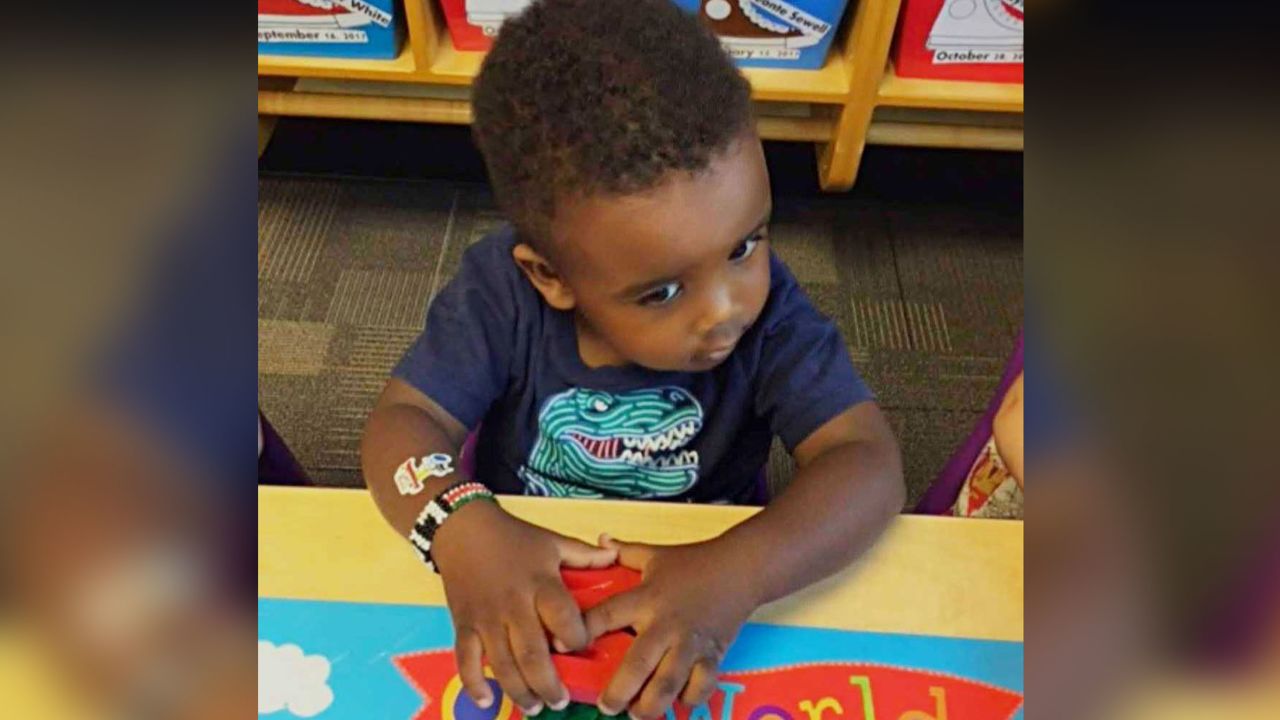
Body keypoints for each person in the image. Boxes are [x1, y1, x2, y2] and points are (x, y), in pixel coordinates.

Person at [360, 2, 904, 719]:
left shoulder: (771, 316)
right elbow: (404, 420)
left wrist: (740, 570)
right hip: (517, 563)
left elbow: (867, 462)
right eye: (663, 292)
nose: (725, 309)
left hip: (707, 576)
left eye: (747, 245)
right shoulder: (500, 293)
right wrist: (458, 527)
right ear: (550, 277)